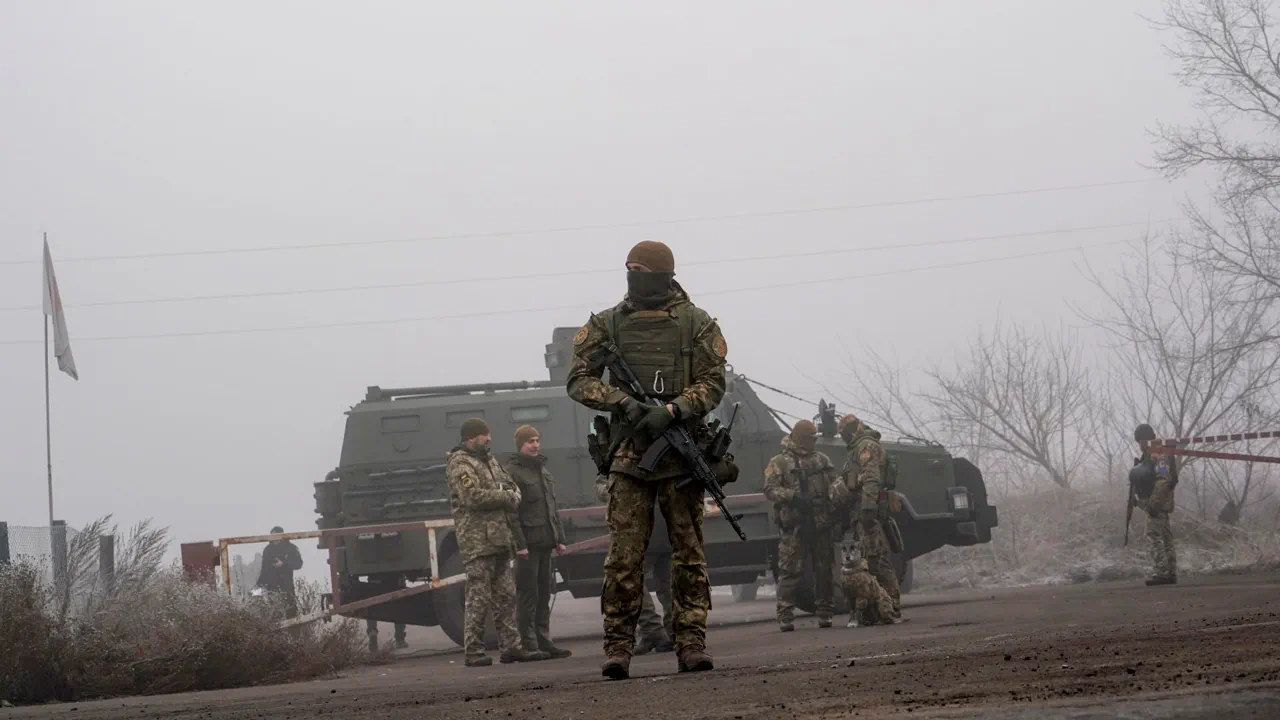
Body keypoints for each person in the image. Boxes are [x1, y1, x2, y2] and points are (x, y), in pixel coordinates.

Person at [568, 240, 729, 680]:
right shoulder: (606, 325)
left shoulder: (697, 323)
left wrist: (674, 409)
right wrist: (622, 401)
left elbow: (714, 381)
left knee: (688, 555)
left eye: (641, 268)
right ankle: (618, 647)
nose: (632, 275)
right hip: (629, 454)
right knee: (623, 556)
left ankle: (691, 642)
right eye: (628, 268)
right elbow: (579, 379)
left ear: (663, 273)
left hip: (681, 454)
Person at [445, 418, 548, 666]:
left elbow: (512, 486)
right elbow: (473, 496)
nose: (489, 439)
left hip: (501, 540)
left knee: (506, 596)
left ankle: (511, 648)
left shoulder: (489, 460)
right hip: (478, 542)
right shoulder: (460, 464)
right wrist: (504, 496)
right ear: (471, 437)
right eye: (484, 435)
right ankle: (474, 651)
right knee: (478, 598)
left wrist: (507, 493)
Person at [763, 420, 846, 631]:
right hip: (795, 525)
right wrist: (793, 497)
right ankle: (785, 616)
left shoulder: (821, 459)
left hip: (821, 523)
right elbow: (770, 489)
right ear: (800, 437)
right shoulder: (780, 462)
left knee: (825, 570)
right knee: (790, 571)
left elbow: (835, 484)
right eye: (811, 438)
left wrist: (839, 508)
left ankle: (825, 612)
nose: (814, 441)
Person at [505, 424, 573, 659]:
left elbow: (552, 508)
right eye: (529, 442)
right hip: (528, 546)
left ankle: (544, 641)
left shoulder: (543, 470)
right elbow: (512, 514)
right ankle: (529, 644)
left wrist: (560, 538)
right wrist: (520, 544)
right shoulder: (513, 472)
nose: (534, 445)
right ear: (520, 445)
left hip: (545, 542)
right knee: (528, 594)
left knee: (545, 593)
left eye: (536, 440)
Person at [595, 474, 674, 654]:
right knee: (668, 583)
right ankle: (673, 632)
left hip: (641, 529)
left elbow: (605, 490)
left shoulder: (623, 454)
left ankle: (653, 630)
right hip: (668, 525)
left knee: (633, 580)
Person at [837, 414, 902, 615]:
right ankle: (881, 606)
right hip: (862, 510)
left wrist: (867, 508)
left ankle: (892, 604)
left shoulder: (865, 446)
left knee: (876, 558)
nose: (842, 438)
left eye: (843, 434)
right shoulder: (858, 447)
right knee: (870, 557)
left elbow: (871, 478)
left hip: (869, 511)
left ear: (850, 430)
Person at [1133, 424, 1178, 586]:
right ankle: (1170, 572)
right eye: (1138, 442)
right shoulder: (1151, 454)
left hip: (1158, 504)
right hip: (1159, 504)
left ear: (1148, 438)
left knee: (1154, 537)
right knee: (1166, 538)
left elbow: (1163, 479)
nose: (1140, 444)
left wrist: (1153, 504)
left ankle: (1162, 573)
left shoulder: (1159, 454)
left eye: (1141, 440)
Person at [254, 525, 303, 618]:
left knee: (291, 613)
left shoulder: (291, 548)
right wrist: (257, 589)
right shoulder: (268, 550)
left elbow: (298, 564)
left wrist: (284, 564)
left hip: (287, 587)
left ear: (282, 536)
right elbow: (264, 571)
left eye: (277, 536)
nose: (274, 539)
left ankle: (294, 632)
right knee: (274, 615)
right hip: (272, 588)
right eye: (272, 536)